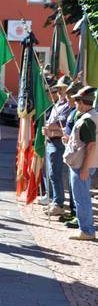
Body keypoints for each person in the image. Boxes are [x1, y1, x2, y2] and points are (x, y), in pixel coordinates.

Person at [63, 86, 98, 240]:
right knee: (81, 197)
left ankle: (87, 231)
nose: (75, 102)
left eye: (77, 99)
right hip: (81, 164)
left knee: (81, 198)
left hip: (81, 166)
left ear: (83, 102)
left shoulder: (87, 120)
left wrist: (85, 168)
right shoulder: (90, 116)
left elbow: (91, 146)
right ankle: (86, 229)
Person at [43, 76, 73, 216]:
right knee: (51, 174)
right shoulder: (58, 105)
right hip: (50, 142)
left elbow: (67, 131)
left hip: (58, 143)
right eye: (59, 89)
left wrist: (52, 129)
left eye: (63, 89)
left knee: (56, 174)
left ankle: (59, 203)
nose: (60, 91)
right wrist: (48, 130)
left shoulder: (69, 107)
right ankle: (55, 200)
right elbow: (51, 123)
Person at [60, 81, 84, 228]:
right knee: (72, 186)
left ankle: (79, 217)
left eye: (69, 96)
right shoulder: (72, 111)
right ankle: (74, 211)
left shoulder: (81, 114)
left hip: (77, 154)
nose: (66, 98)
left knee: (79, 190)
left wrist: (69, 138)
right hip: (70, 152)